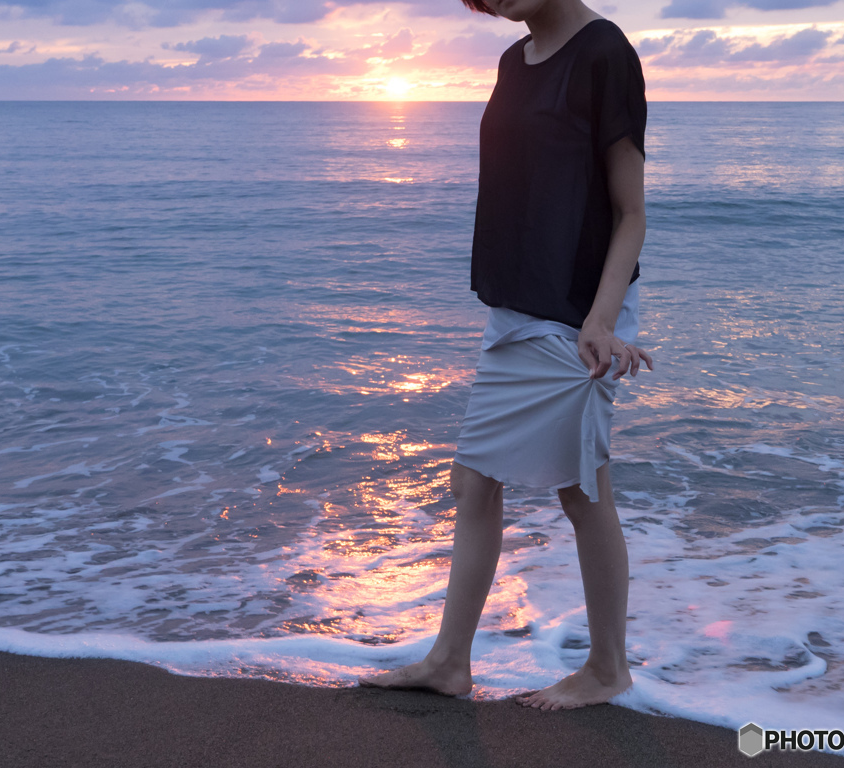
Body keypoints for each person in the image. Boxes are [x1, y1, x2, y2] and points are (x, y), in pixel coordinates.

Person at [360, 0, 653, 711]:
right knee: (475, 480)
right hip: (517, 307)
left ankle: (607, 669)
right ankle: (451, 662)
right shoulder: (510, 63)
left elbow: (631, 212)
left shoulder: (603, 52)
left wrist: (603, 320)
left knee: (583, 491)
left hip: (576, 315)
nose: (491, 0)